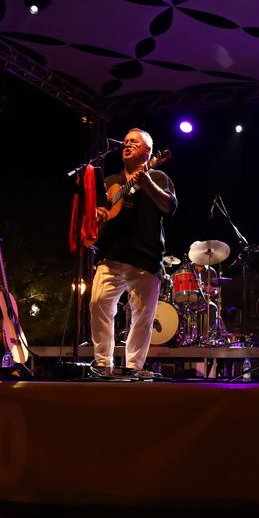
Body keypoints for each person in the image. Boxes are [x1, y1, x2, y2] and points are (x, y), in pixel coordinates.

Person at [89, 128, 177, 379]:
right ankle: (102, 364)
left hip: (145, 255)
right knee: (98, 303)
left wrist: (146, 182)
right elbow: (98, 215)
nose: (126, 145)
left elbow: (169, 206)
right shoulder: (110, 181)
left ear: (148, 152)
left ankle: (133, 367)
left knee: (142, 315)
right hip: (112, 254)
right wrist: (98, 217)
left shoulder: (158, 176)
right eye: (125, 142)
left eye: (134, 142)